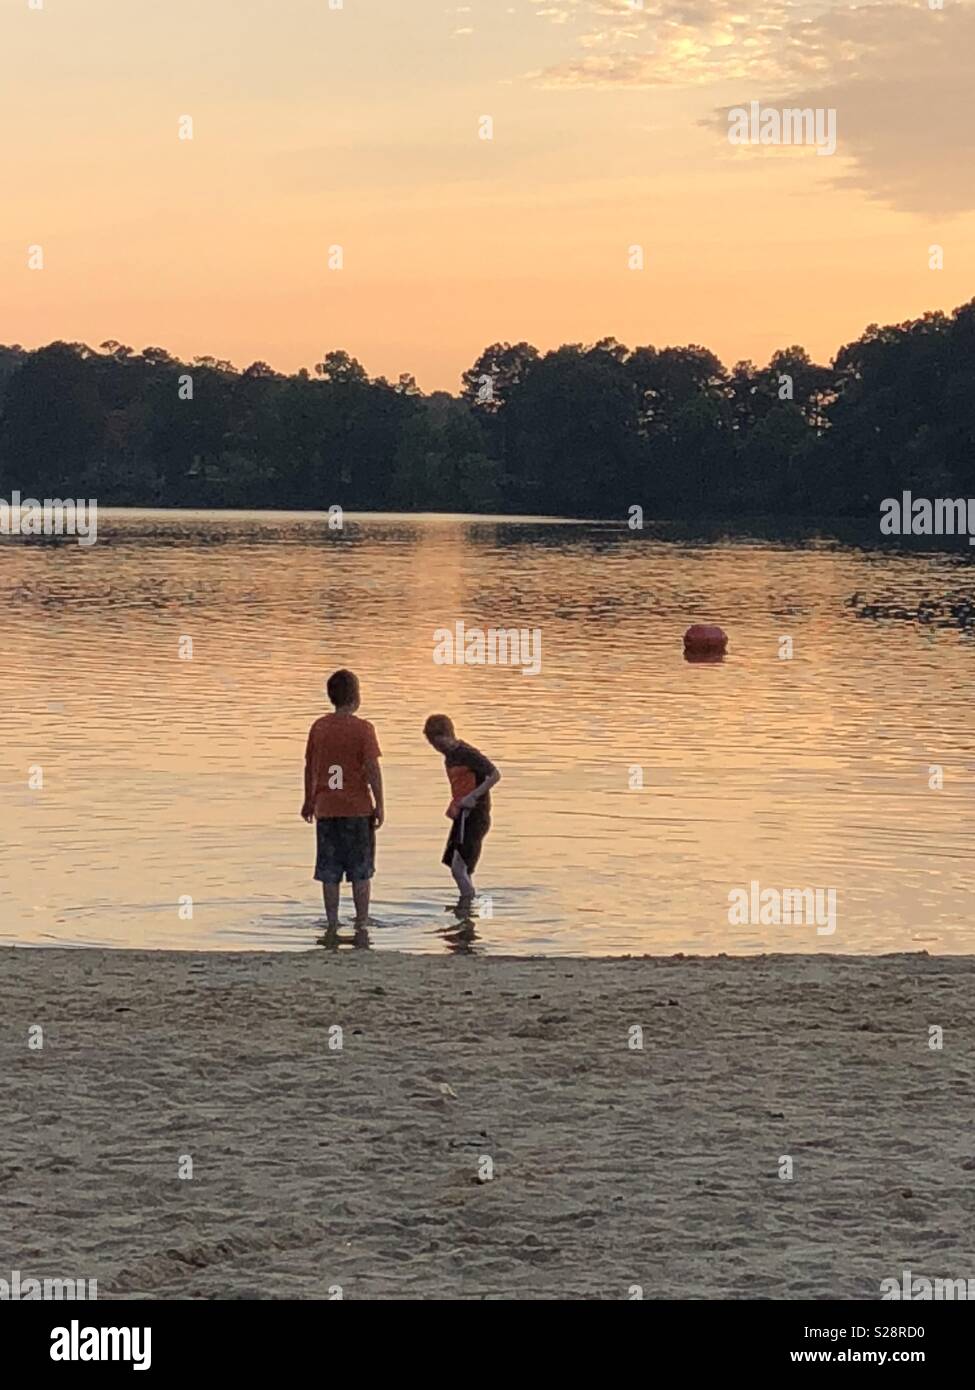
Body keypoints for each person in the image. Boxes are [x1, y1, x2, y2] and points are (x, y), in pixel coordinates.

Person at [302, 669, 384, 930]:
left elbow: (310, 766)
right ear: (356, 697)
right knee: (361, 871)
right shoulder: (363, 729)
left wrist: (308, 799)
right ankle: (361, 920)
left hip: (326, 808)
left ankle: (332, 921)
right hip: (357, 809)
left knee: (330, 871)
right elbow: (372, 768)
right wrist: (380, 803)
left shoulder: (319, 727)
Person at [423, 714, 500, 912]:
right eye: (433, 745)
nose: (437, 748)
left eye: (439, 743)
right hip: (462, 816)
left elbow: (495, 774)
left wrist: (473, 796)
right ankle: (466, 915)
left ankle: (472, 907)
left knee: (459, 868)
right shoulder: (450, 757)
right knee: (457, 866)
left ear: (449, 735)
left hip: (475, 815)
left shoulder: (466, 753)